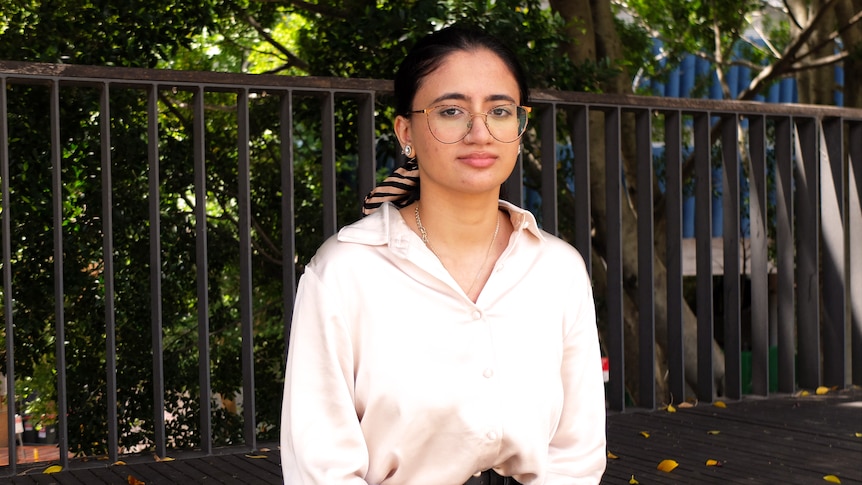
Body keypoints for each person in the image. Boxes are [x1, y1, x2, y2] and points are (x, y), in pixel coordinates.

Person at [280, 25, 607, 485]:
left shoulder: (558, 269)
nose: (479, 131)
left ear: (519, 126)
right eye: (451, 111)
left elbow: (577, 454)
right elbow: (322, 467)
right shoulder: (344, 271)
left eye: (499, 110)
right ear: (406, 131)